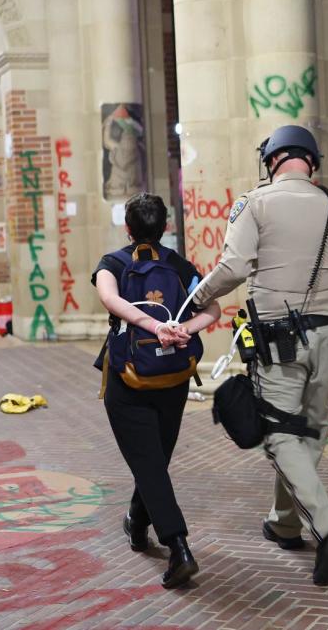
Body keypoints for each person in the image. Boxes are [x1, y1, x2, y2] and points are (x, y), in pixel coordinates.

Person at [189, 124, 328, 585]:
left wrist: (198, 297)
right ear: (311, 161)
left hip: (278, 340)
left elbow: (234, 267)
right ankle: (284, 521)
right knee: (311, 426)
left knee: (279, 434)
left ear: (271, 160)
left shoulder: (252, 203)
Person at [93, 193, 221, 588]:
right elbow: (213, 309)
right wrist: (182, 330)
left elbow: (110, 299)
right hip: (173, 378)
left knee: (148, 465)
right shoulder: (180, 266)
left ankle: (178, 546)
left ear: (127, 228)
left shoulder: (112, 263)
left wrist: (149, 326)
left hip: (127, 379)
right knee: (153, 462)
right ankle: (136, 524)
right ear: (165, 227)